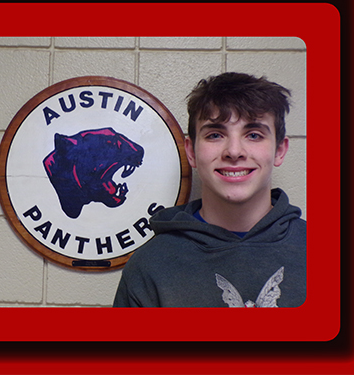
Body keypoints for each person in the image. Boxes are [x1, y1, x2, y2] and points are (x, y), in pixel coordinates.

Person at [113, 72, 306, 308]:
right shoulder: (150, 266)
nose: (234, 151)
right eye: (215, 134)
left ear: (279, 151)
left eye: (254, 135)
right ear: (191, 152)